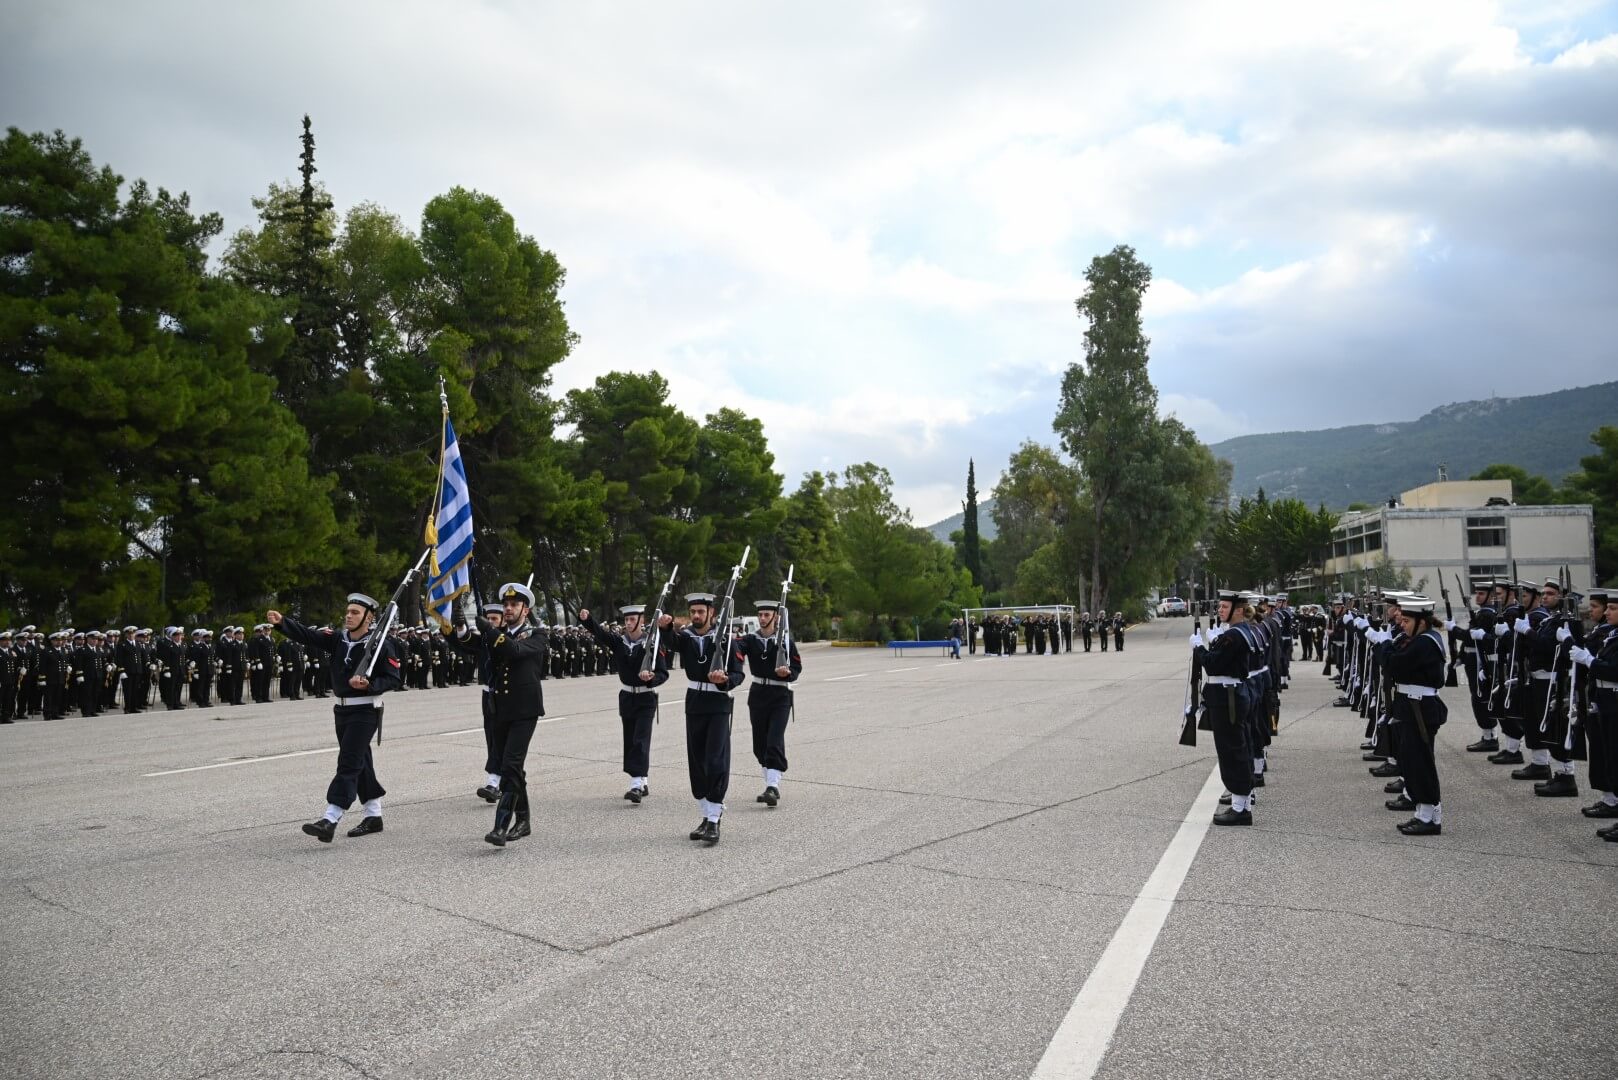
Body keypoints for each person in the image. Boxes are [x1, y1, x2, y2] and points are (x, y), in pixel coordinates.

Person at [268, 593, 404, 843]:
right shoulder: (339, 639)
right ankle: (374, 815)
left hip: (365, 710)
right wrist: (282, 623)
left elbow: (394, 679)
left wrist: (369, 685)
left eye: (355, 612)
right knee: (360, 761)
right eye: (348, 611)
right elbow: (309, 636)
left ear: (368, 618)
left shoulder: (380, 644)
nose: (348, 616)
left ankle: (330, 818)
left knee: (348, 762)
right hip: (342, 710)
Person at [658, 592, 746, 845]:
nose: (696, 616)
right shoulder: (686, 637)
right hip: (695, 702)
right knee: (697, 762)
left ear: (712, 613)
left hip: (718, 703)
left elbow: (739, 674)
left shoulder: (726, 639)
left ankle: (715, 819)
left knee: (715, 760)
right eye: (693, 612)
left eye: (701, 612)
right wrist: (665, 627)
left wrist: (725, 681)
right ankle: (706, 816)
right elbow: (671, 642)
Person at [474, 583, 549, 847]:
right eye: (505, 605)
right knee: (513, 768)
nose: (508, 609)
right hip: (500, 709)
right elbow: (474, 649)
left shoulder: (537, 635)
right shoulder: (499, 634)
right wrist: (457, 629)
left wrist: (490, 630)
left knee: (510, 766)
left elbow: (515, 651)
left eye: (514, 605)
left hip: (525, 710)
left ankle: (500, 826)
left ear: (525, 610)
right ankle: (524, 820)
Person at [580, 602, 668, 803]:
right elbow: (600, 634)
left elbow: (663, 673)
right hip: (627, 697)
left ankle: (635, 785)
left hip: (646, 697)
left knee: (640, 740)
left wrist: (652, 679)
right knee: (630, 739)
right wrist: (587, 619)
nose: (628, 623)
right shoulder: (619, 642)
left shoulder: (652, 644)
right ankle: (642, 780)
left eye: (632, 619)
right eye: (626, 619)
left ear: (641, 620)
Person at [1378, 596, 1448, 835]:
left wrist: (1385, 644)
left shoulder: (1425, 643)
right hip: (1410, 706)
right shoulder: (1418, 640)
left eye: (1407, 621)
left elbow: (1393, 665)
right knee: (1410, 761)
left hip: (1419, 708)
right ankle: (1421, 813)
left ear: (1422, 622)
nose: (1402, 624)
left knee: (1420, 763)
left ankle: (1430, 818)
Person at [1191, 591, 1255, 825]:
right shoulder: (1239, 632)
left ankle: (1240, 809)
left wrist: (1199, 647)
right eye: (1219, 606)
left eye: (1224, 606)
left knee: (1231, 751)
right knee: (1238, 747)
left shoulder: (1234, 635)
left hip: (1228, 697)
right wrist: (1216, 641)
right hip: (1231, 694)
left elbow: (1213, 664)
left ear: (1238, 610)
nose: (1220, 610)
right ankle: (1243, 804)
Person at [738, 600, 802, 807]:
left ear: (776, 617)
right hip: (758, 693)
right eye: (761, 615)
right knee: (760, 745)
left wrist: (788, 674)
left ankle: (772, 786)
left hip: (780, 695)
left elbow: (797, 668)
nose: (763, 618)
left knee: (774, 740)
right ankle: (770, 785)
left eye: (767, 615)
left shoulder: (785, 641)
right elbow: (734, 650)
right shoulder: (750, 639)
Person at [451, 602, 508, 803]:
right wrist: (460, 625)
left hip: (507, 695)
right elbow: (466, 641)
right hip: (488, 694)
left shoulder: (509, 638)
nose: (490, 622)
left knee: (504, 740)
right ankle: (496, 782)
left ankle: (496, 782)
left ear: (503, 621)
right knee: (492, 737)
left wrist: (491, 632)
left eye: (495, 619)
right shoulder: (483, 639)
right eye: (488, 618)